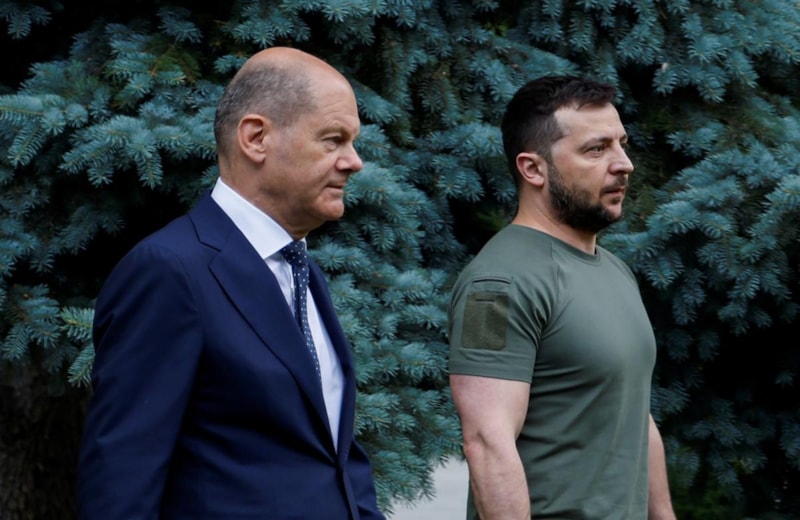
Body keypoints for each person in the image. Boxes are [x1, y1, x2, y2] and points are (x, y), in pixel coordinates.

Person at [77, 47, 385, 519]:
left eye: (352, 142)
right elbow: (120, 483)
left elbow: (334, 460)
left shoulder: (302, 270)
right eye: (333, 140)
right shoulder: (169, 271)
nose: (354, 161)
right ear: (256, 138)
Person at [447, 75, 676, 519]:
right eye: (596, 149)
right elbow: (487, 443)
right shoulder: (496, 285)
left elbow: (633, 414)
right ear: (533, 169)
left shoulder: (614, 270)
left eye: (622, 144)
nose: (624, 164)